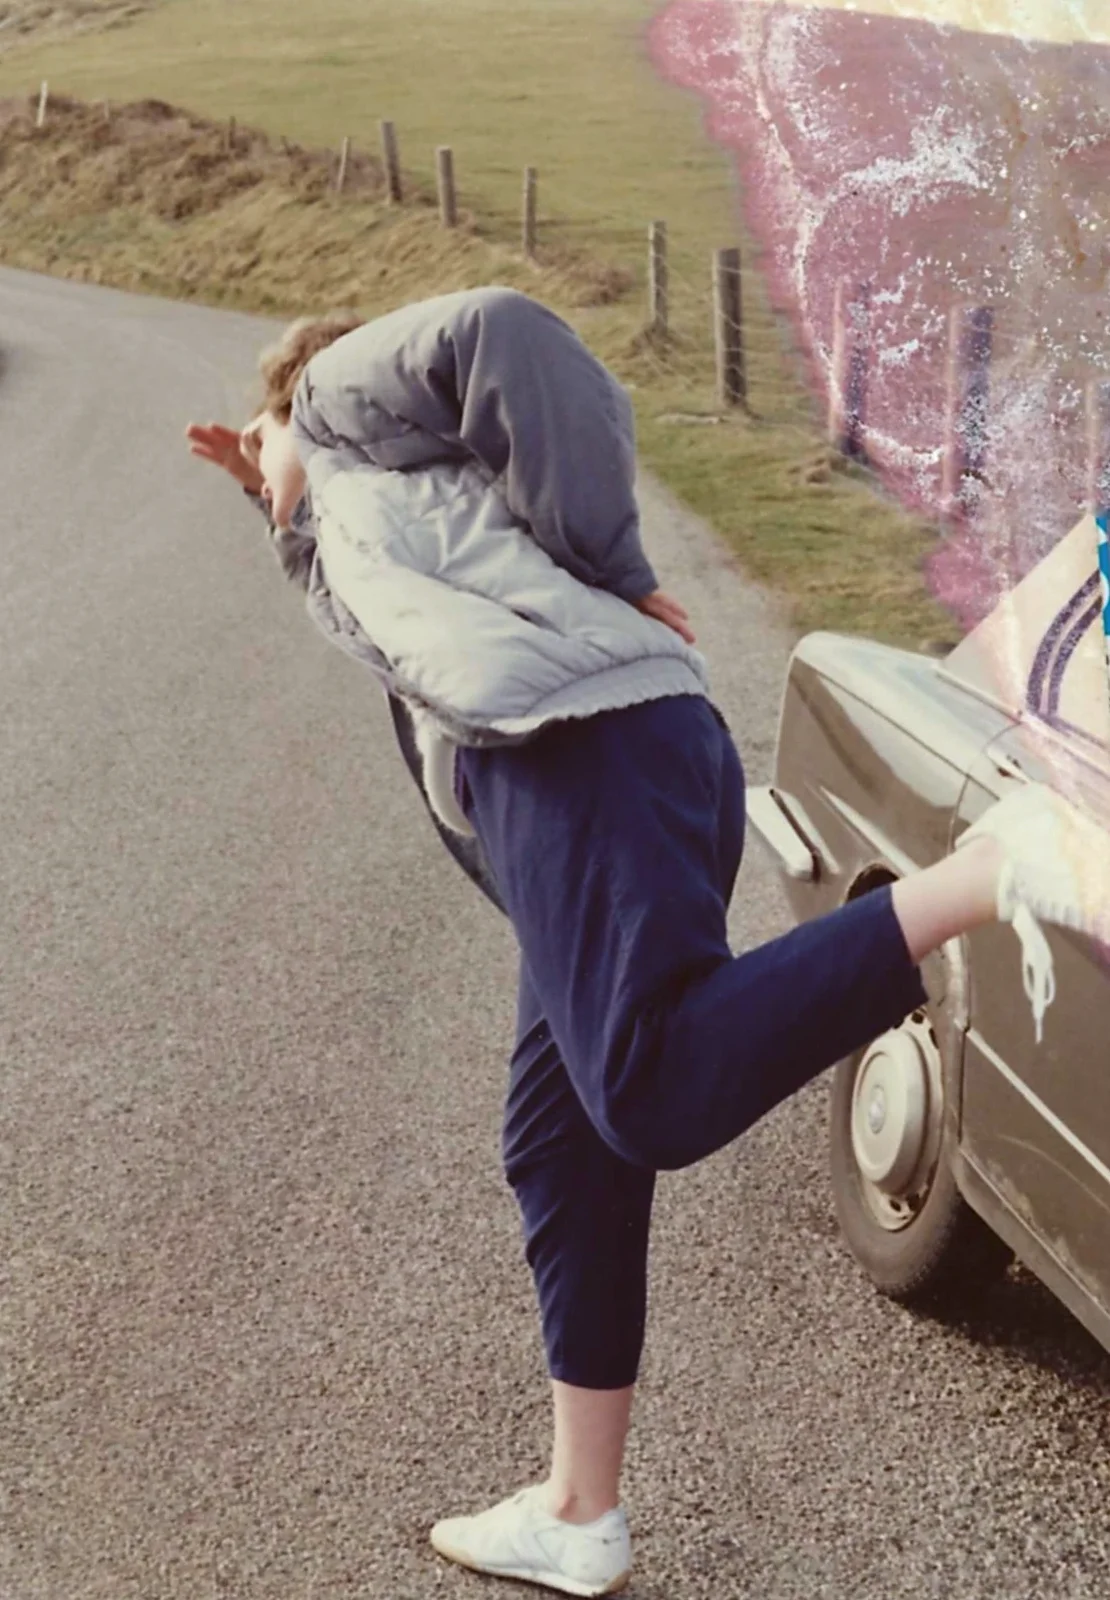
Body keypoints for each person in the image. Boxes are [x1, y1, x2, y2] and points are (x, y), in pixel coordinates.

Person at [187, 288, 1109, 1598]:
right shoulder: (380, 508)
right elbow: (374, 566)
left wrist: (618, 569)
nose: (251, 455)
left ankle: (985, 872)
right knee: (560, 1142)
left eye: (255, 432)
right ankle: (577, 1510)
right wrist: (267, 497)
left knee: (654, 1089)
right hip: (580, 779)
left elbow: (505, 334)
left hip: (584, 763)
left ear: (294, 397)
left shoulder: (338, 397)